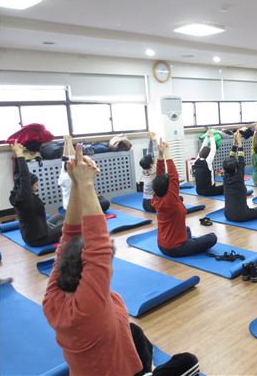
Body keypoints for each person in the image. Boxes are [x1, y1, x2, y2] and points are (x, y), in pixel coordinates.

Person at [43, 144, 199, 376]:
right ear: (88, 274)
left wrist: (76, 182)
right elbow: (98, 246)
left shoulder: (52, 299)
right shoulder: (89, 306)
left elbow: (70, 235)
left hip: (100, 356)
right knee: (189, 362)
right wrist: (87, 184)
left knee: (134, 332)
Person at [152, 139, 217, 257]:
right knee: (212, 238)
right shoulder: (170, 200)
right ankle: (188, 244)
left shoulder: (156, 196)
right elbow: (174, 176)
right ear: (169, 188)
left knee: (186, 229)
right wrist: (167, 153)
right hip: (175, 248)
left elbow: (159, 176)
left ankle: (189, 243)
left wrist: (160, 154)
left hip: (161, 245)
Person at [9, 140, 64, 247]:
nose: (37, 186)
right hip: (39, 238)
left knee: (59, 216)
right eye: (35, 184)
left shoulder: (17, 193)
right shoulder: (25, 196)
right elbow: (24, 175)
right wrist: (20, 154)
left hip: (32, 234)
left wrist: (16, 154)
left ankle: (54, 230)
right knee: (72, 224)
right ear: (28, 185)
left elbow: (18, 175)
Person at [223, 130, 257, 222]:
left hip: (227, 215)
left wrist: (235, 144)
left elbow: (232, 160)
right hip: (241, 215)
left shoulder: (225, 177)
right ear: (235, 169)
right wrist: (239, 143)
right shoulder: (238, 177)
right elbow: (241, 160)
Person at [193, 130, 224, 196]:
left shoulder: (197, 160)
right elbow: (213, 150)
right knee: (226, 187)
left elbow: (202, 147)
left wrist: (207, 137)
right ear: (208, 155)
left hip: (198, 191)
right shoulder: (207, 162)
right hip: (209, 191)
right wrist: (212, 137)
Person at [140, 132, 158, 212]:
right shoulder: (154, 170)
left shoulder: (144, 170)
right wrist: (154, 139)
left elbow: (149, 153)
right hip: (152, 204)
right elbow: (157, 153)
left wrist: (150, 140)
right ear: (151, 164)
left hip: (145, 204)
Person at [57, 135, 75, 209]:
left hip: (67, 206)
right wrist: (69, 142)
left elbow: (65, 158)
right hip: (72, 207)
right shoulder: (71, 177)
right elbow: (71, 157)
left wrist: (67, 142)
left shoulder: (64, 174)